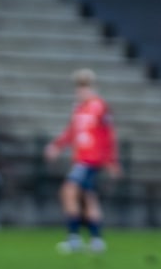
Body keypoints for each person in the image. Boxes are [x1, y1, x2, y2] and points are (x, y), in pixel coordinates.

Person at [44, 68, 121, 253]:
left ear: (92, 88)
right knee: (88, 198)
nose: (80, 92)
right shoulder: (78, 109)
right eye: (78, 88)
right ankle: (96, 240)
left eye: (84, 87)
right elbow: (72, 132)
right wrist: (57, 146)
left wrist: (111, 161)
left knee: (68, 191)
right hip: (81, 160)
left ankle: (74, 238)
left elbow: (108, 135)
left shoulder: (100, 107)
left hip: (91, 160)